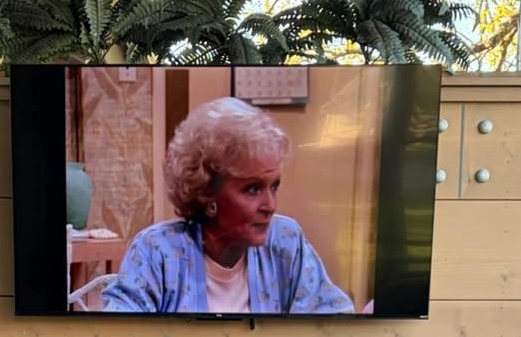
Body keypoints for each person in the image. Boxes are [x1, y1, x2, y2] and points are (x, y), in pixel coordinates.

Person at [97, 95, 354, 314]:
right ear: (207, 192)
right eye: (252, 189)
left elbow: (331, 324)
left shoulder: (286, 241)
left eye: (273, 186)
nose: (270, 205)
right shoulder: (157, 250)